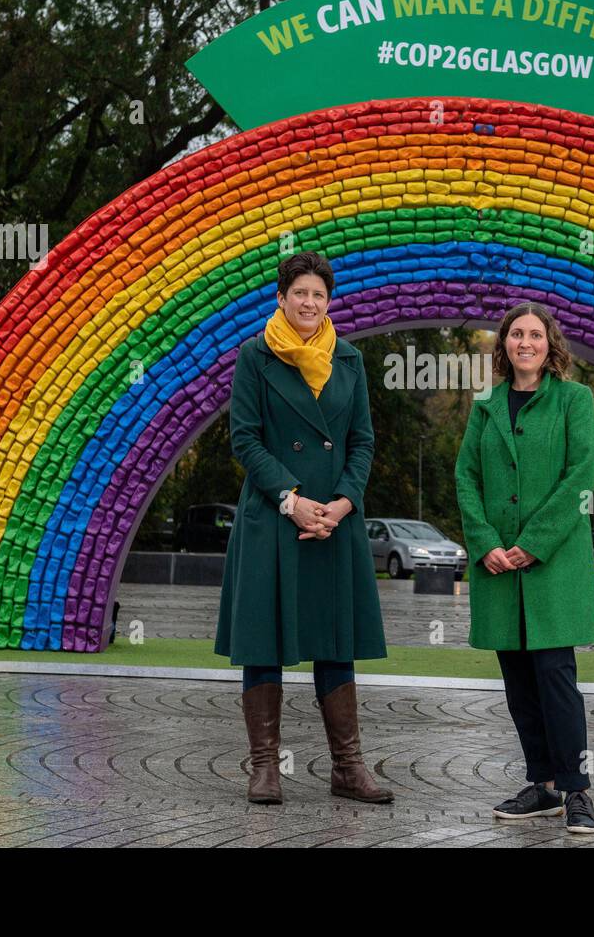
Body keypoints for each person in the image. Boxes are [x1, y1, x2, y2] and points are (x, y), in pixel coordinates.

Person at [215, 250, 392, 806]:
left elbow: (361, 441)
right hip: (274, 517)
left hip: (334, 523)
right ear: (281, 299)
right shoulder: (254, 356)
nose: (309, 303)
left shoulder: (351, 360)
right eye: (300, 294)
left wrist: (342, 504)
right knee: (263, 642)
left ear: (328, 302)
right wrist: (291, 500)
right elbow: (244, 438)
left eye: (319, 295)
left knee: (335, 640)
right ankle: (265, 768)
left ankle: (348, 767)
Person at [454, 302, 594, 834]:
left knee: (556, 680)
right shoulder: (487, 405)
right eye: (516, 334)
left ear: (549, 344)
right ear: (505, 345)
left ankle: (577, 790)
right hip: (498, 571)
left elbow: (580, 478)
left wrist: (533, 544)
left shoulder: (574, 399)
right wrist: (486, 542)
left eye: (535, 335)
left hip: (551, 568)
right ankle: (542, 788)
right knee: (519, 684)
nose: (525, 342)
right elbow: (466, 477)